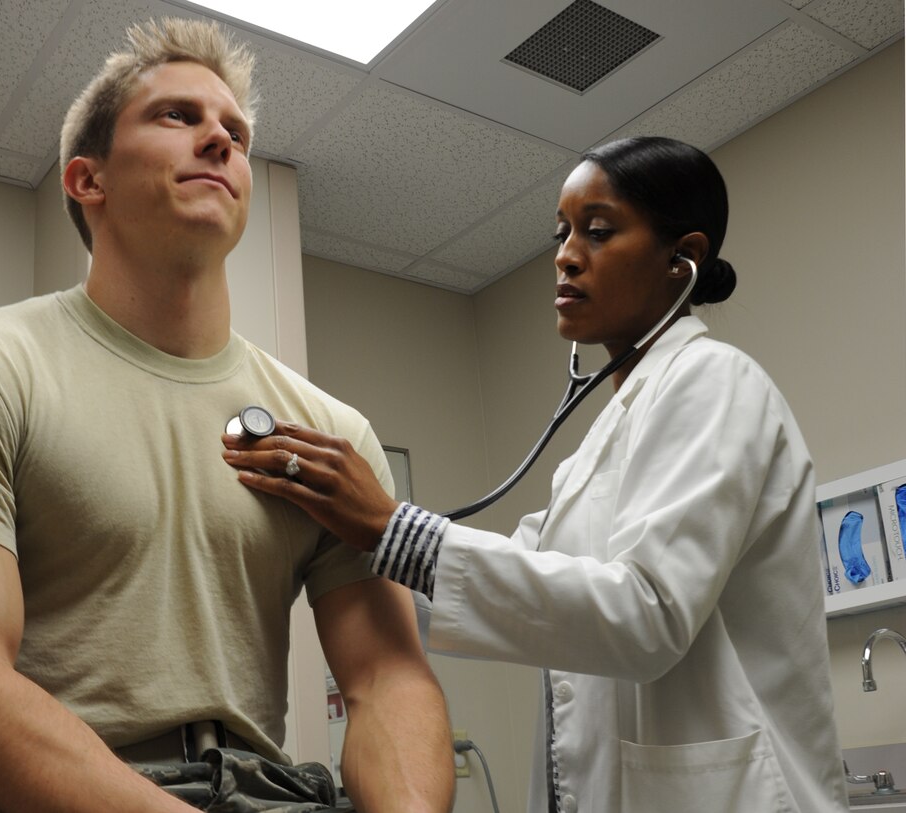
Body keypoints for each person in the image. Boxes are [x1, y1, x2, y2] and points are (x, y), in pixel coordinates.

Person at [0, 18, 454, 813]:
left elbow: (385, 677)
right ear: (87, 180)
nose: (221, 141)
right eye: (178, 117)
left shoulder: (331, 433)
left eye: (234, 130)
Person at [222, 136, 850, 813]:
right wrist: (351, 529)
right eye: (562, 232)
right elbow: (520, 587)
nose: (565, 253)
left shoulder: (718, 383)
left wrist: (389, 523)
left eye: (599, 231)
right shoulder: (595, 452)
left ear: (683, 258)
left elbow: (647, 615)